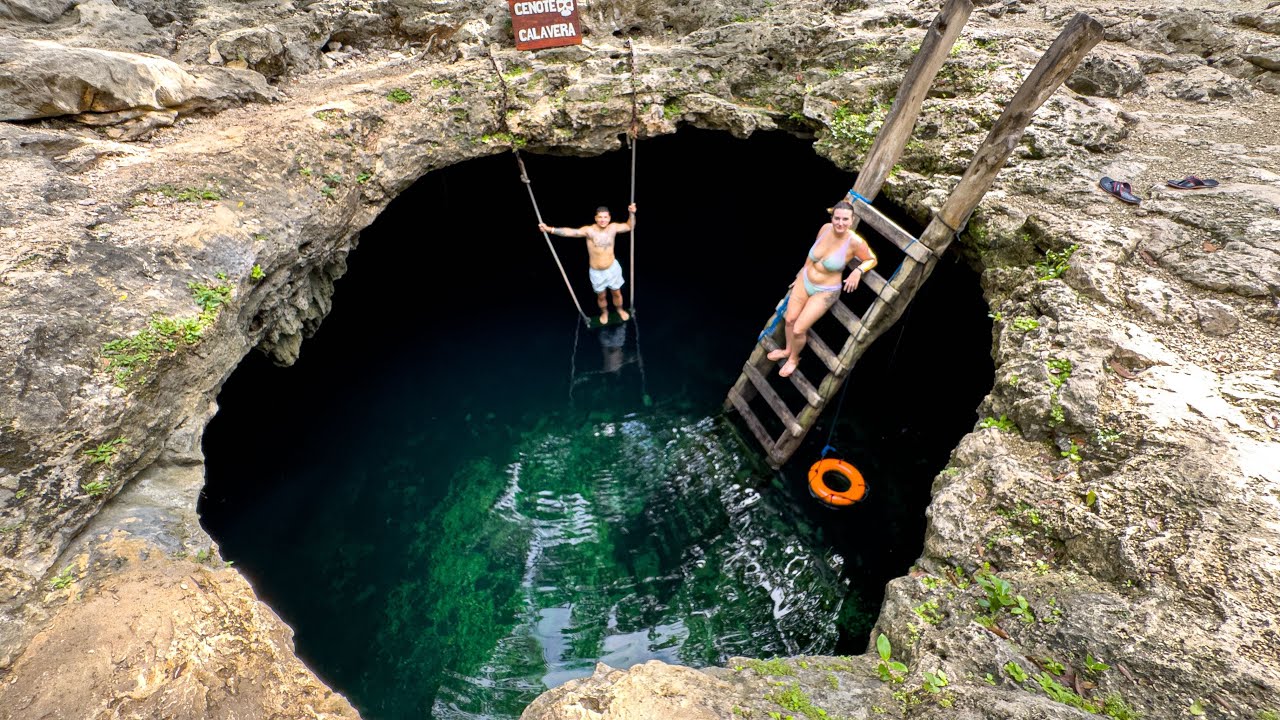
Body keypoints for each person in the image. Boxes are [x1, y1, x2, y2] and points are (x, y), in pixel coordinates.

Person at [766, 200, 877, 378]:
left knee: (798, 329)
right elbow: (812, 253)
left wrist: (858, 270)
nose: (840, 223)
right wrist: (801, 272)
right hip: (805, 280)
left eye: (845, 219)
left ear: (852, 220)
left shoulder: (855, 242)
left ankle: (794, 359)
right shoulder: (825, 228)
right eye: (837, 218)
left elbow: (871, 259)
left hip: (825, 290)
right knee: (789, 319)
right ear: (832, 218)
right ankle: (787, 350)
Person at [539, 203, 636, 326]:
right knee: (601, 296)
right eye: (600, 217)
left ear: (609, 218)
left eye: (605, 217)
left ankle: (620, 310)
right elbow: (571, 232)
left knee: (617, 293)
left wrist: (631, 213)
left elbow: (629, 226)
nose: (602, 220)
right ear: (595, 218)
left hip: (612, 268)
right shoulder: (589, 231)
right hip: (597, 271)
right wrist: (550, 229)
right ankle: (604, 312)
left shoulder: (613, 228)